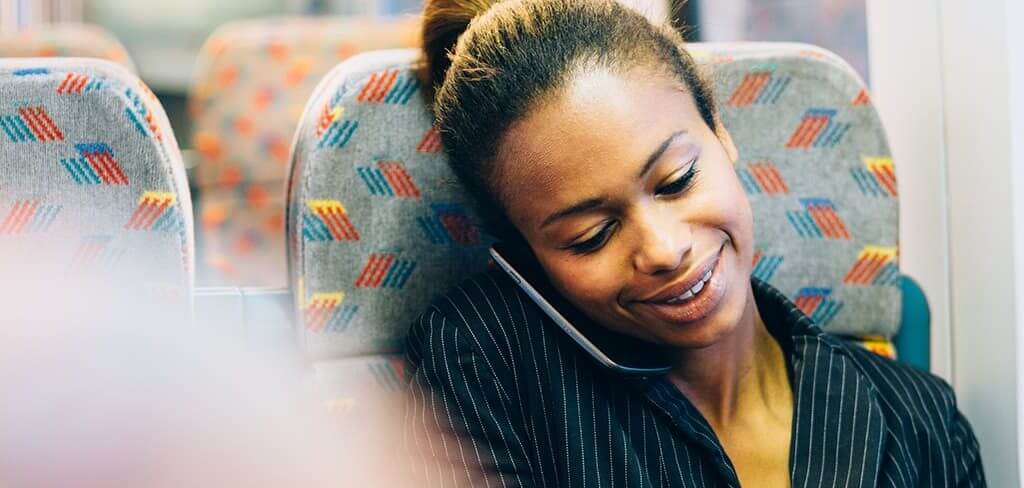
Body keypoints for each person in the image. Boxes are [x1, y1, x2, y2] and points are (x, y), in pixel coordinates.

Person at [403, 0, 986, 486]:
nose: (662, 249)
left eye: (678, 180)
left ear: (721, 134)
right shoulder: (484, 355)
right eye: (591, 236)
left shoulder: (920, 419)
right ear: (526, 257)